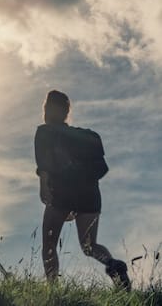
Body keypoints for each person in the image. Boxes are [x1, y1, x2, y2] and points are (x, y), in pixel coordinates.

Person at [34, 90, 131, 290]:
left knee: (50, 244)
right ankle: (113, 265)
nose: (44, 110)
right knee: (89, 246)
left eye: (46, 106)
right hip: (90, 194)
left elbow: (44, 164)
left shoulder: (44, 131)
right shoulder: (83, 136)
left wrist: (44, 188)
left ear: (51, 109)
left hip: (62, 191)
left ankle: (53, 291)